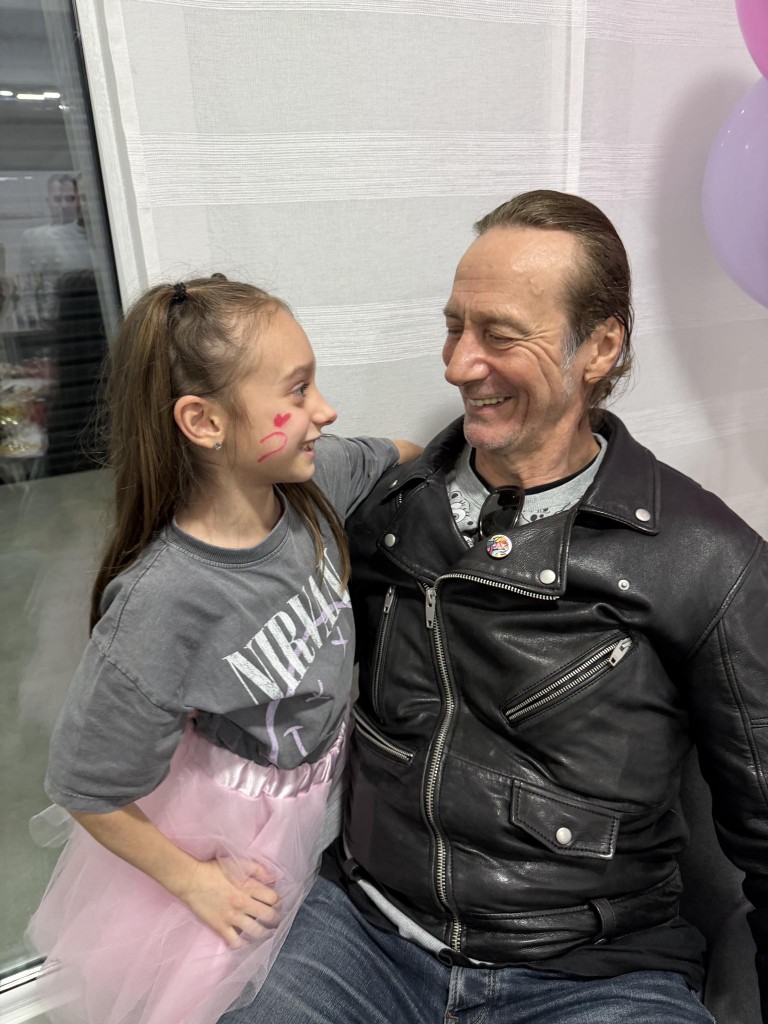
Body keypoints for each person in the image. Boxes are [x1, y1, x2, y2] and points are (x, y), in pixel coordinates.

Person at [222, 191, 768, 1024]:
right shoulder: (387, 511)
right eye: (455, 327)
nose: (458, 365)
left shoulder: (708, 561)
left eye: (500, 335)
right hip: (365, 932)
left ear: (601, 346)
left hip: (594, 974)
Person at [26, 274, 420, 1024]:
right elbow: (84, 785)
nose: (325, 410)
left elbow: (398, 455)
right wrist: (195, 883)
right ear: (204, 421)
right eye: (297, 390)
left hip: (331, 792)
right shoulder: (163, 605)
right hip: (234, 835)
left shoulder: (315, 488)